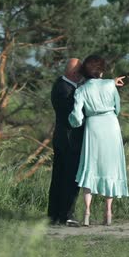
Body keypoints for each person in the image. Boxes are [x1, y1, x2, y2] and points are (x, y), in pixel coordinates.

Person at [69, 55, 129, 226]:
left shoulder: (81, 90)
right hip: (110, 124)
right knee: (111, 166)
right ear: (101, 70)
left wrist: (74, 122)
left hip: (93, 126)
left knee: (91, 165)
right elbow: (117, 108)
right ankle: (108, 212)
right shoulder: (110, 84)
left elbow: (77, 116)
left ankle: (87, 212)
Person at [48, 58, 85, 226]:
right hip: (70, 140)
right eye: (81, 72)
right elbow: (77, 114)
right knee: (70, 178)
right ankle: (66, 215)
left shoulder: (60, 84)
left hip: (61, 138)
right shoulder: (67, 90)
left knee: (59, 177)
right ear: (74, 73)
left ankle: (54, 215)